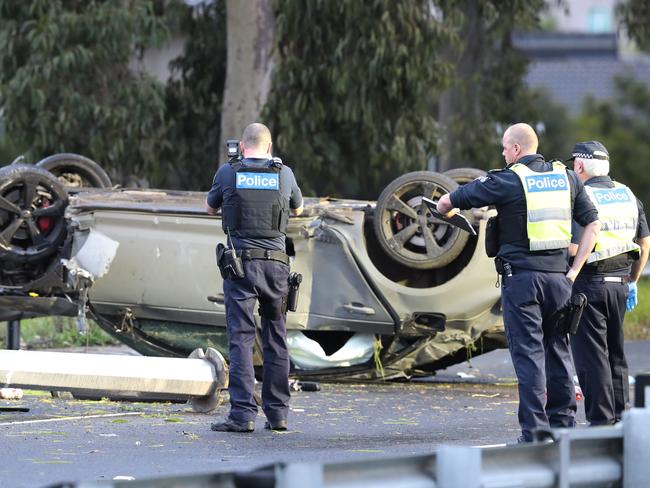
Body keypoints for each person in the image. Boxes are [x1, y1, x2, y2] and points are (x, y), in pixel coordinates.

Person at [437, 123, 600, 443]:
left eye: (503, 147)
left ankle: (535, 434)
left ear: (515, 149)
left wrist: (446, 211)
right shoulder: (566, 177)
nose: (502, 153)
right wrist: (573, 272)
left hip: (522, 282)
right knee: (558, 352)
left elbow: (446, 202)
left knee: (529, 355)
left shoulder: (508, 179)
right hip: (560, 282)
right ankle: (563, 430)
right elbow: (593, 223)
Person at [205, 122, 303, 433]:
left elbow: (210, 208)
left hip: (241, 267)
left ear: (243, 146)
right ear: (270, 147)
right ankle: (278, 415)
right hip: (276, 267)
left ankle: (243, 415)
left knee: (242, 339)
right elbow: (298, 209)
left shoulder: (228, 172)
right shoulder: (284, 173)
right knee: (276, 338)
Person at [567, 140, 650, 426]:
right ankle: (621, 420)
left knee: (592, 357)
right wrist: (633, 280)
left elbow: (577, 248)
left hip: (589, 284)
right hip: (620, 284)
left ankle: (600, 424)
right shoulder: (627, 194)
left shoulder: (582, 195)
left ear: (579, 166)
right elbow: (645, 241)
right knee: (616, 353)